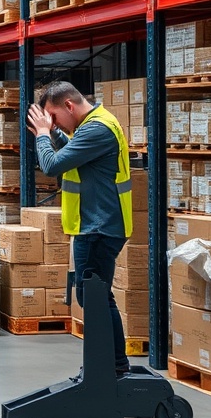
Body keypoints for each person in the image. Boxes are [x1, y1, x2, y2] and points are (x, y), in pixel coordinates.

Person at [27, 80, 132, 376]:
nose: (53, 122)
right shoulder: (94, 124)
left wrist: (44, 136)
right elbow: (73, 154)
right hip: (96, 225)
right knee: (94, 296)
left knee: (96, 297)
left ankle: (112, 367)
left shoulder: (97, 129)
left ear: (69, 106)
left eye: (55, 116)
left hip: (100, 227)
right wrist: (53, 132)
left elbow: (51, 166)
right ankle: (111, 365)